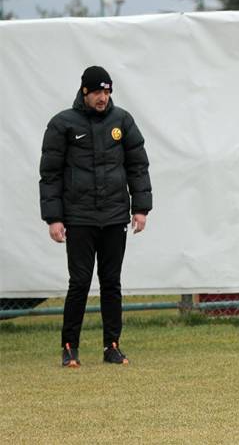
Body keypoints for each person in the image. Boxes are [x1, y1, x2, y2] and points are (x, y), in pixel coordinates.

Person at [39, 65, 152, 367]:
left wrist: (140, 209)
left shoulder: (122, 121)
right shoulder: (62, 124)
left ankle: (111, 347)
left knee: (111, 282)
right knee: (79, 282)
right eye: (98, 92)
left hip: (115, 216)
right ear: (85, 92)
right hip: (79, 217)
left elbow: (137, 166)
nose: (104, 97)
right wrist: (54, 218)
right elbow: (50, 175)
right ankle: (69, 348)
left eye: (108, 91)